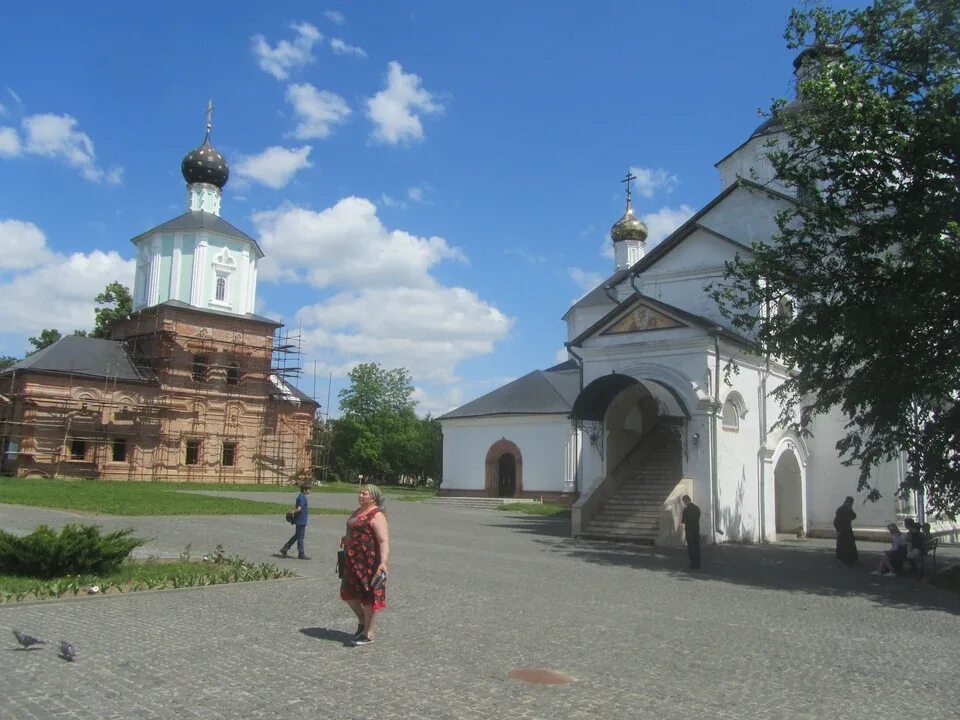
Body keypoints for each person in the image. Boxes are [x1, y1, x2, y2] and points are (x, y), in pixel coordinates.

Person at [340, 484, 390, 646]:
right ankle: (362, 621)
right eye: (359, 493)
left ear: (373, 497)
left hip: (368, 562)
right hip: (352, 560)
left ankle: (368, 632)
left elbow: (383, 540)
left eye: (364, 493)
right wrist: (346, 539)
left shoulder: (377, 515)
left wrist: (383, 562)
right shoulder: (357, 512)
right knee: (348, 593)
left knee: (368, 596)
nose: (360, 495)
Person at [279, 483, 311, 560]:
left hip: (301, 520)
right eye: (308, 489)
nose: (310, 491)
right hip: (301, 520)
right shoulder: (301, 498)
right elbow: (299, 508)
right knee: (300, 537)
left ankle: (285, 548)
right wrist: (293, 512)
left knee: (297, 536)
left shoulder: (301, 497)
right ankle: (301, 553)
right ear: (304, 490)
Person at [833, 496, 858, 565]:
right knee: (842, 545)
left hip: (848, 530)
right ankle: (842, 559)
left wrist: (851, 510)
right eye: (850, 503)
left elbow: (854, 517)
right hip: (841, 530)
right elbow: (835, 521)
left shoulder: (849, 509)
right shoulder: (840, 510)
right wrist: (838, 530)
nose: (850, 505)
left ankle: (851, 559)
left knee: (850, 545)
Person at [681, 495, 701, 569]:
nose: (684, 503)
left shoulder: (686, 510)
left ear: (686, 501)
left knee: (691, 547)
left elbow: (683, 521)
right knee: (697, 546)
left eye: (684, 502)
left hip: (689, 530)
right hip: (696, 529)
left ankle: (692, 564)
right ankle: (698, 564)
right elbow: (698, 518)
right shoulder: (697, 508)